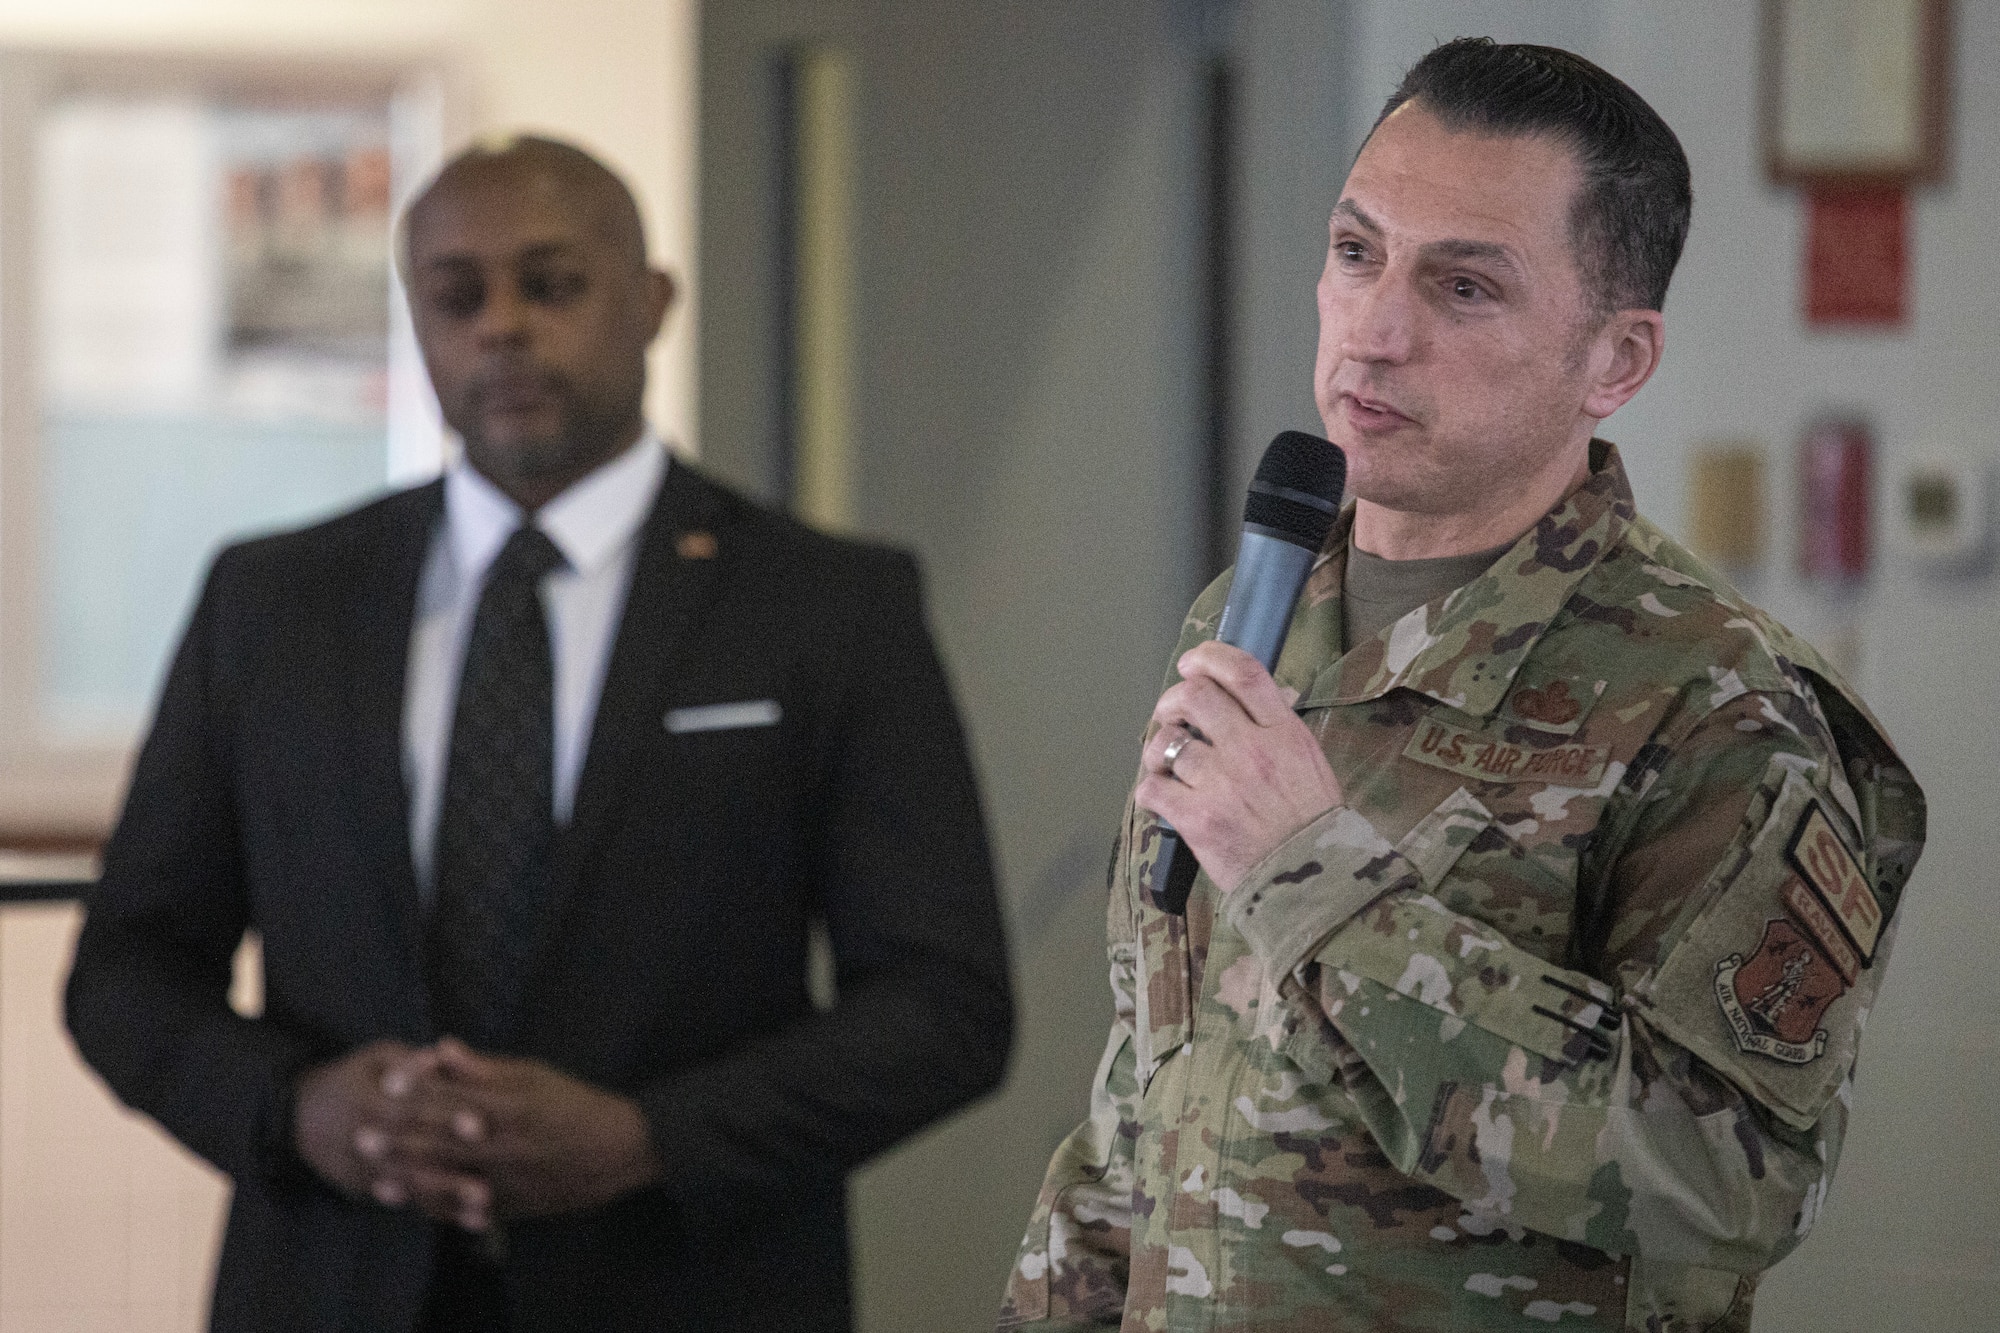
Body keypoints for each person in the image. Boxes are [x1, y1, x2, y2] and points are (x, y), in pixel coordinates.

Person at [1000, 39, 1923, 1333]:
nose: (1376, 329)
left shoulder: (1718, 700)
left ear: (1615, 362)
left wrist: (1314, 878)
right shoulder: (1252, 612)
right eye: (1357, 252)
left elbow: (1732, 1184)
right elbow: (1153, 1087)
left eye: (1466, 287)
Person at [66, 135, 1012, 1333]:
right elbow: (129, 965)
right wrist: (296, 1109)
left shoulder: (822, 605)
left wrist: (648, 1139)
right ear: (416, 324)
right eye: (456, 296)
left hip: (689, 1287)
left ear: (651, 300)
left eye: (550, 283)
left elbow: (945, 1003)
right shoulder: (275, 601)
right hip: (330, 1284)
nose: (501, 326)